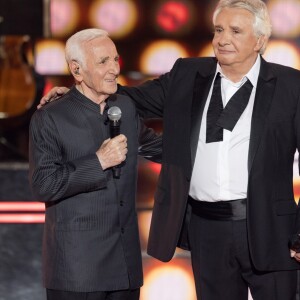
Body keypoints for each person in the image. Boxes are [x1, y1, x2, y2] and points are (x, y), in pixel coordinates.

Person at [39, 0, 300, 299]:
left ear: (260, 40)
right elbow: (126, 97)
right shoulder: (187, 74)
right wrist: (77, 93)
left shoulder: (291, 85)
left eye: (235, 31)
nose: (222, 38)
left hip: (272, 230)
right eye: (218, 29)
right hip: (207, 228)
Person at [29, 28, 162, 300]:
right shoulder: (51, 117)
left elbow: (159, 147)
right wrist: (98, 161)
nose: (114, 68)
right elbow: (44, 184)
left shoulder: (124, 107)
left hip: (125, 268)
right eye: (103, 62)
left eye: (115, 59)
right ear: (77, 70)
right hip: (77, 271)